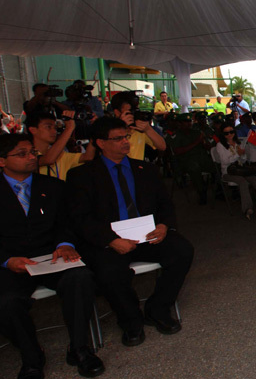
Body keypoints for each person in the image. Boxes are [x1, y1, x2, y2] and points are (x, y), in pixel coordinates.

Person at [0, 134, 104, 379]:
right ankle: (31, 356)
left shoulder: (53, 186)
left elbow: (68, 222)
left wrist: (65, 244)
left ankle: (80, 347)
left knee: (81, 278)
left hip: (51, 257)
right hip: (7, 262)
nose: (31, 158)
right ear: (0, 161)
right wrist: (6, 260)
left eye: (32, 152)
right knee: (3, 304)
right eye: (22, 153)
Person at [67, 117, 194, 347]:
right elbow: (80, 218)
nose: (125, 142)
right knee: (109, 271)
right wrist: (110, 240)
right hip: (109, 239)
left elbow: (165, 204)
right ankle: (130, 320)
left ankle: (158, 309)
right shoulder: (82, 176)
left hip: (147, 233)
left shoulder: (145, 169)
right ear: (101, 143)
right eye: (117, 139)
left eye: (126, 137)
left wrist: (165, 225)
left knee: (182, 251)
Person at [214, 123, 256, 220]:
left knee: (255, 179)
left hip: (240, 169)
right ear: (223, 134)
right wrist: (237, 155)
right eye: (226, 133)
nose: (230, 135)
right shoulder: (220, 145)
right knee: (242, 181)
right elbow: (225, 161)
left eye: (231, 132)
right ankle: (247, 208)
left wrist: (243, 155)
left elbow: (243, 160)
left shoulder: (238, 143)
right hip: (228, 172)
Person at [27, 111, 94, 181]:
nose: (54, 131)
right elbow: (48, 160)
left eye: (55, 128)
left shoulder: (61, 156)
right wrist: (69, 128)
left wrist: (95, 129)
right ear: (33, 130)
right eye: (48, 127)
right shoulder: (28, 155)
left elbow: (88, 156)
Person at [167, 113, 216, 204]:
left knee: (217, 166)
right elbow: (178, 151)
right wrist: (196, 142)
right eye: (186, 122)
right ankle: (201, 191)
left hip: (201, 158)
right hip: (185, 160)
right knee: (194, 168)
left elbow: (206, 146)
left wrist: (205, 142)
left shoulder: (196, 132)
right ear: (180, 123)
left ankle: (218, 190)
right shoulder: (176, 135)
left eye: (190, 121)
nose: (189, 123)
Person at [109, 91, 167, 161]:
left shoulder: (139, 130)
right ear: (117, 112)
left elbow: (162, 147)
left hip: (137, 170)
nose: (133, 114)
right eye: (130, 111)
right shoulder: (108, 131)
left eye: (136, 110)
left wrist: (148, 129)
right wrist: (122, 128)